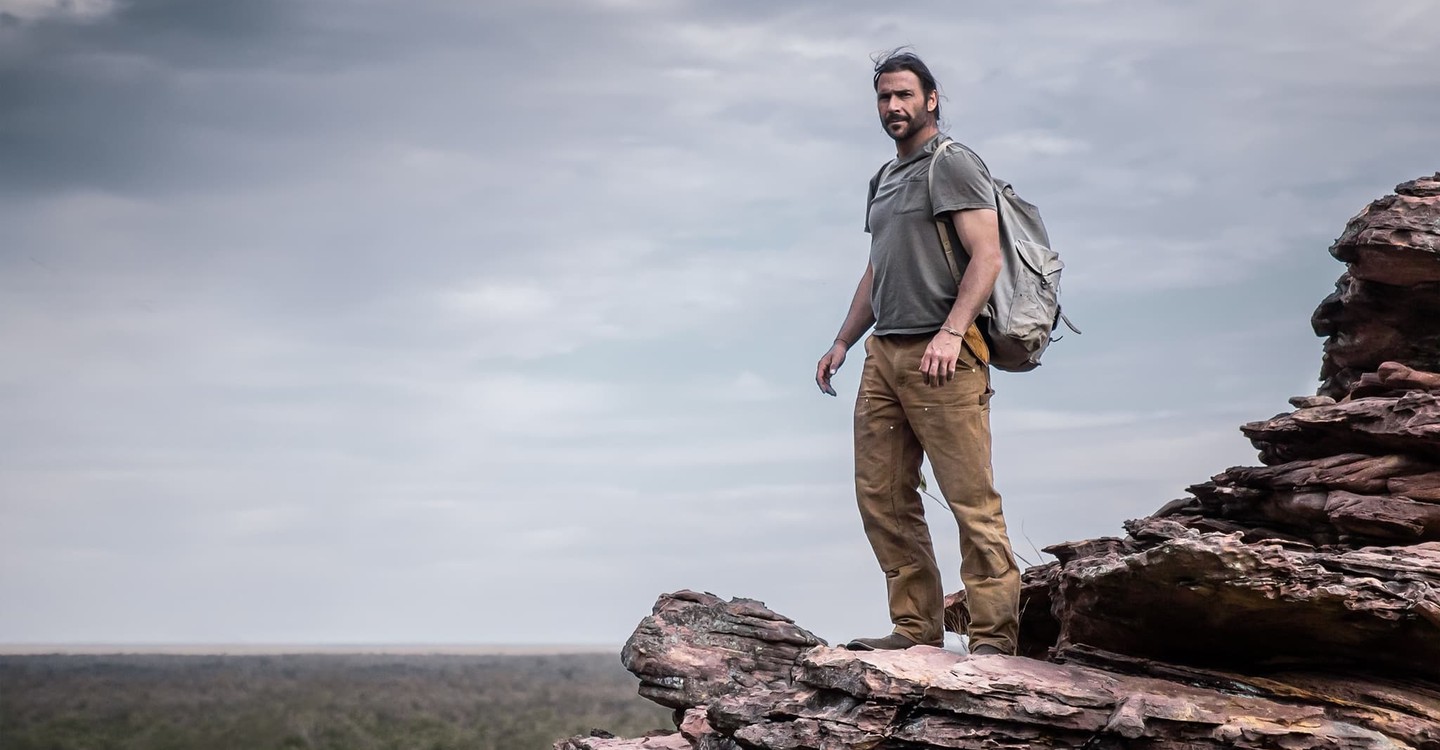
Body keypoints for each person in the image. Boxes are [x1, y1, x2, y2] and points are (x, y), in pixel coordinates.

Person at [814, 50, 1021, 656]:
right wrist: (843, 341)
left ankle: (992, 641)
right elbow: (878, 269)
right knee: (882, 495)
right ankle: (915, 630)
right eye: (884, 97)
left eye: (904, 95)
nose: (893, 107)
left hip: (945, 354)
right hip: (885, 354)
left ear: (931, 99)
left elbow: (987, 256)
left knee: (971, 500)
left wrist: (953, 332)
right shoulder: (883, 179)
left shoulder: (952, 165)